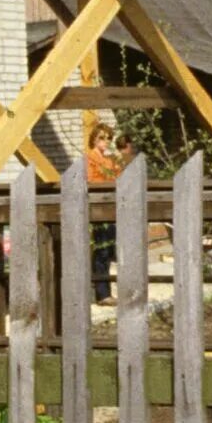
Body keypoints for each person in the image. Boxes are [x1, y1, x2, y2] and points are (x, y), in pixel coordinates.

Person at [85, 120, 127, 301]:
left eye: (109, 138)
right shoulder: (89, 159)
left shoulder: (110, 160)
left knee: (109, 249)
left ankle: (106, 291)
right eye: (102, 137)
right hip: (98, 207)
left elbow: (119, 177)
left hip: (111, 207)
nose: (106, 141)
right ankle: (102, 294)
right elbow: (91, 180)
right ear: (94, 139)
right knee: (101, 249)